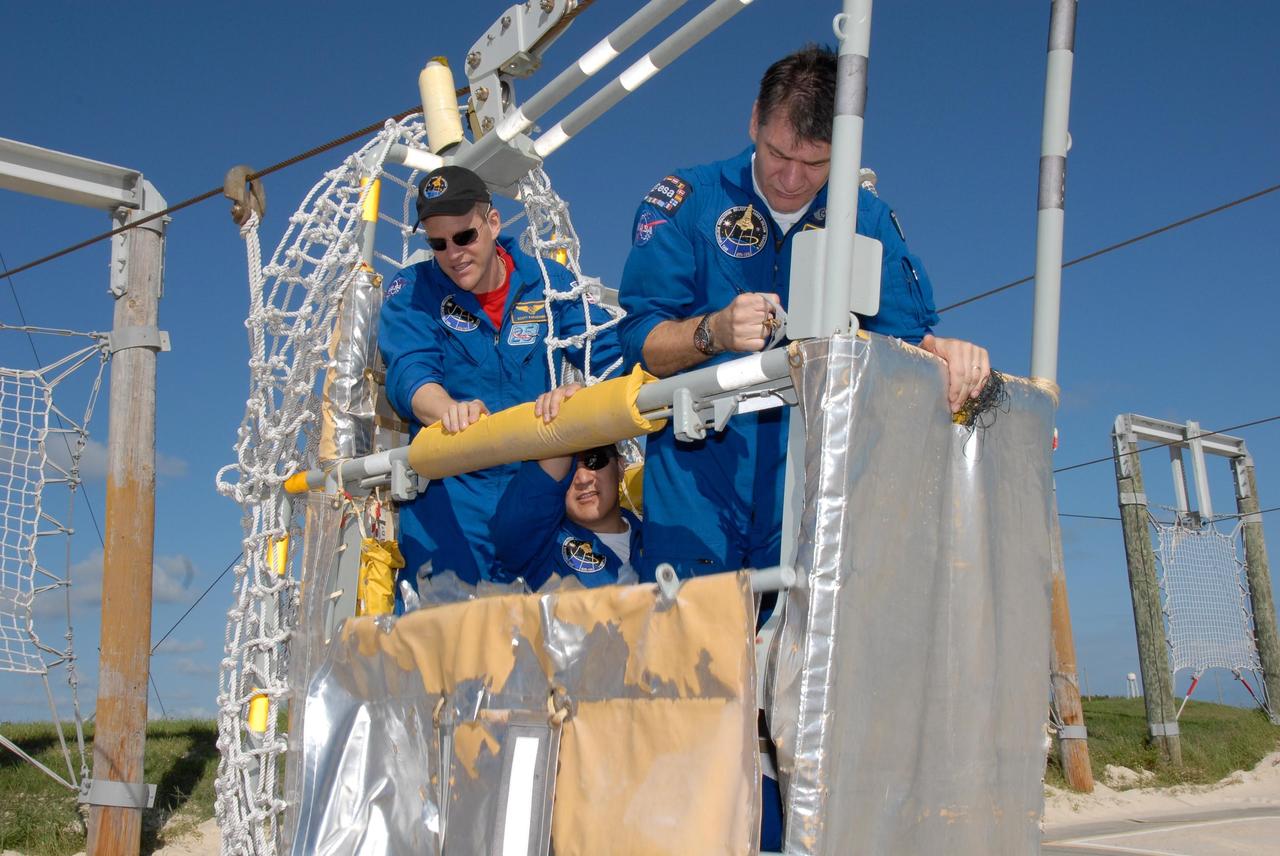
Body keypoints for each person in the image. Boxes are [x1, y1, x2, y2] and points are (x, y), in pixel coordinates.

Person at [617, 44, 992, 585]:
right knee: (692, 639)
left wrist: (946, 352)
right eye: (778, 154)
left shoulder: (868, 220)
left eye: (816, 163)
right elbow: (639, 340)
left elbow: (906, 343)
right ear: (755, 121)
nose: (791, 180)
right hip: (693, 489)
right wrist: (713, 331)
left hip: (812, 491)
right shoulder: (686, 201)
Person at [379, 165, 621, 589]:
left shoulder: (547, 281)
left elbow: (608, 352)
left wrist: (583, 393)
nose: (453, 253)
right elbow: (409, 373)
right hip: (450, 505)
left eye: (464, 237)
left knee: (565, 622)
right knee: (444, 626)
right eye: (438, 244)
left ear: (492, 223)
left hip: (536, 501)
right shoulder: (413, 290)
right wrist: (449, 410)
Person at [492, 385, 640, 590]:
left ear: (621, 467)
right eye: (569, 469)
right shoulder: (538, 548)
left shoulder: (656, 535)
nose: (582, 479)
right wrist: (559, 416)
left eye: (594, 460)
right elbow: (514, 529)